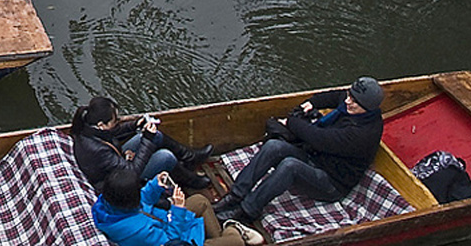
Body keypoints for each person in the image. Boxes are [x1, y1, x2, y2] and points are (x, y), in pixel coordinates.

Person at [214, 77, 385, 227]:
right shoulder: (352, 105)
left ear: (367, 108)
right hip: (316, 159)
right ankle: (236, 195)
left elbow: (318, 138)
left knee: (290, 166)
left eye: (354, 101)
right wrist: (313, 102)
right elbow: (336, 96)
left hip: (332, 183)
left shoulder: (361, 134)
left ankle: (247, 211)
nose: (348, 101)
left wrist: (291, 122)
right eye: (350, 96)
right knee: (274, 146)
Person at [72, 96, 214, 192]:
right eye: (115, 121)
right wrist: (147, 139)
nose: (117, 123)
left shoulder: (88, 127)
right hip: (117, 182)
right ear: (101, 124)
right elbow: (132, 173)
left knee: (156, 136)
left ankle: (190, 157)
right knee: (166, 157)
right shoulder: (97, 150)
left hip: (117, 162)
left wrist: (135, 125)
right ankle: (191, 181)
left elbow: (113, 132)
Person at [94, 166, 264, 246]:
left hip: (162, 222)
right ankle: (231, 230)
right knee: (236, 242)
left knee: (200, 201)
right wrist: (178, 210)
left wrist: (155, 185)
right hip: (174, 239)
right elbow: (170, 241)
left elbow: (142, 201)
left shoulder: (107, 202)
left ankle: (220, 235)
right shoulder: (138, 231)